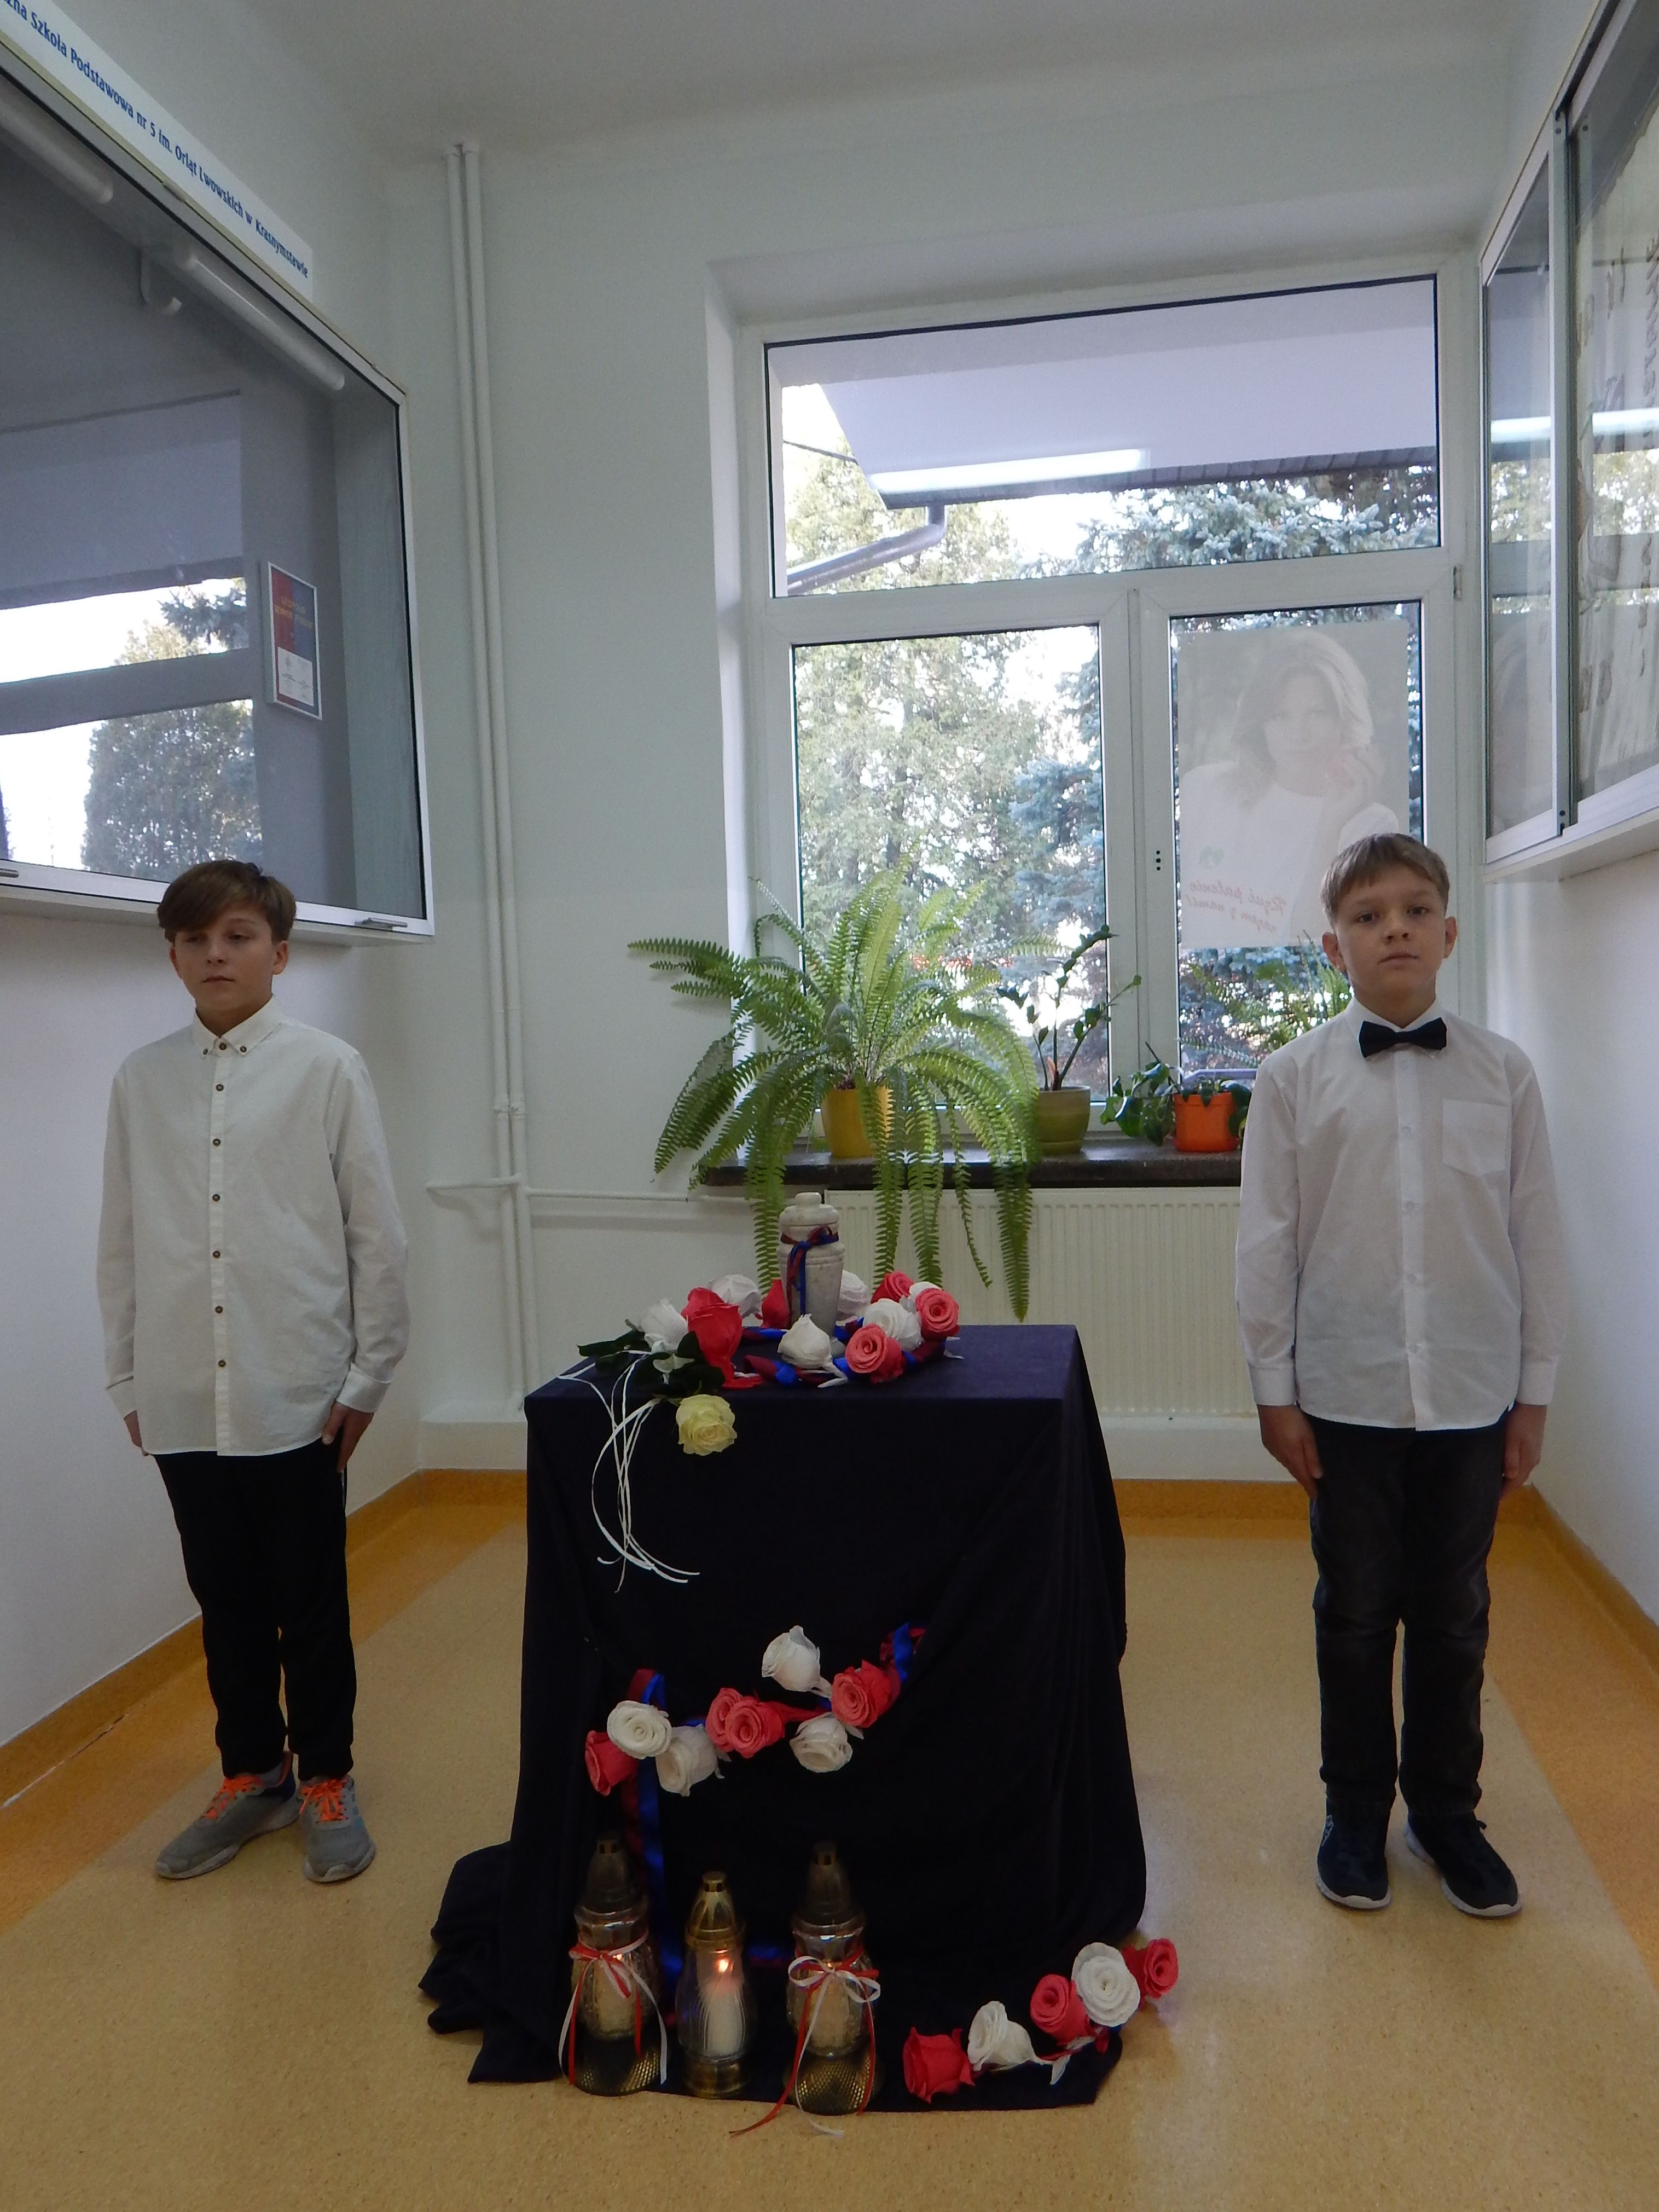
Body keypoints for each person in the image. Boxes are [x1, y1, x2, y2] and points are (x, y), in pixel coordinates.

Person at [1235, 832, 1565, 1918]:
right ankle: (1353, 1812)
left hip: (1471, 1390)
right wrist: (1274, 1390)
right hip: (1347, 1392)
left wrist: (1533, 1393)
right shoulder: (1291, 1080)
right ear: (1335, 946)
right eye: (1368, 915)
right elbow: (1266, 1244)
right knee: (1353, 1611)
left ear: (1449, 932)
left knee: (1454, 1612)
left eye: (1415, 910)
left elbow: (1536, 1237)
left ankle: (1446, 1813)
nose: (1395, 929)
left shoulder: (1504, 1074)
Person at [97, 859, 409, 1884]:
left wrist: (368, 1376)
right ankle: (253, 1773)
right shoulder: (141, 1079)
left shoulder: (327, 1069)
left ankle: (326, 1774)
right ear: (173, 956)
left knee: (309, 1600)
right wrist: (128, 1380)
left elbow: (375, 1233)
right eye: (195, 940)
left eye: (236, 936)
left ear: (279, 952)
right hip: (183, 1388)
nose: (215, 955)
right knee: (223, 1599)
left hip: (298, 1389)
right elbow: (121, 1238)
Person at [1180, 629, 1400, 951]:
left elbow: (1315, 946)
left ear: (1344, 719)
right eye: (1280, 716)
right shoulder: (1206, 788)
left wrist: (1331, 825)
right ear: (1259, 723)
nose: (1298, 735)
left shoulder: (1373, 825)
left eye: (1317, 714)